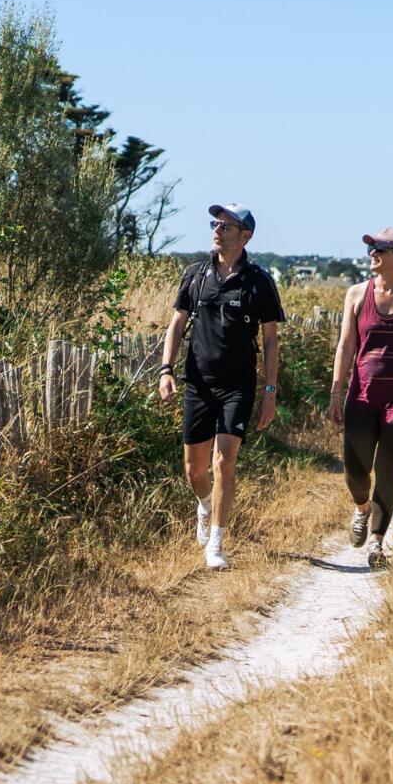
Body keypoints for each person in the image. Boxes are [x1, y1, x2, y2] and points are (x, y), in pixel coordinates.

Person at [158, 203, 284, 570]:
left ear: (245, 236)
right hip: (198, 383)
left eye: (226, 226)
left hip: (238, 386)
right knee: (194, 470)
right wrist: (166, 370)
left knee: (224, 461)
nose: (217, 230)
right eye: (215, 224)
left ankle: (216, 542)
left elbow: (271, 340)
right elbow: (176, 324)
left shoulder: (259, 281)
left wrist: (270, 392)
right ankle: (205, 504)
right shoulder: (196, 275)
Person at [327, 227, 393, 565]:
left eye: (381, 249)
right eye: (371, 248)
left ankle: (377, 542)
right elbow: (346, 345)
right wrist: (335, 392)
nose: (372, 254)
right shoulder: (357, 294)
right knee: (355, 471)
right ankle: (362, 508)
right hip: (362, 394)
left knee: (387, 466)